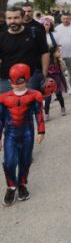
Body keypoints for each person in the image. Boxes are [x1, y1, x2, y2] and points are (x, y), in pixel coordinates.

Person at [0, 63, 45, 206]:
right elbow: (0, 119)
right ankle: (11, 186)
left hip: (27, 132)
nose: (16, 85)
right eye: (13, 82)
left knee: (25, 161)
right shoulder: (3, 98)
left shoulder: (34, 95)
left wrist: (41, 131)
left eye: (19, 81)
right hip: (11, 133)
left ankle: (22, 184)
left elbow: (39, 114)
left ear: (26, 79)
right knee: (9, 162)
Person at [0, 7, 49, 94]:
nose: (12, 21)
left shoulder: (35, 32)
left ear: (22, 18)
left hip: (30, 79)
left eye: (16, 18)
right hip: (6, 80)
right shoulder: (2, 37)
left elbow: (45, 52)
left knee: (30, 106)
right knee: (6, 106)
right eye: (9, 18)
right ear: (6, 20)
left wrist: (44, 74)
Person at [54, 12, 71, 94]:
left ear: (70, 18)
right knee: (60, 73)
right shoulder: (57, 28)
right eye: (64, 19)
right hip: (60, 55)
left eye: (67, 18)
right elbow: (55, 41)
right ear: (61, 19)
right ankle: (64, 87)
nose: (65, 20)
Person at [44, 46, 67, 120]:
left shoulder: (58, 61)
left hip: (57, 82)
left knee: (59, 95)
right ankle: (46, 114)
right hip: (49, 83)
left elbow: (61, 74)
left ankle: (63, 108)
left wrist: (65, 85)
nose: (60, 53)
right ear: (53, 53)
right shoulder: (47, 62)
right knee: (47, 98)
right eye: (58, 51)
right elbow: (44, 73)